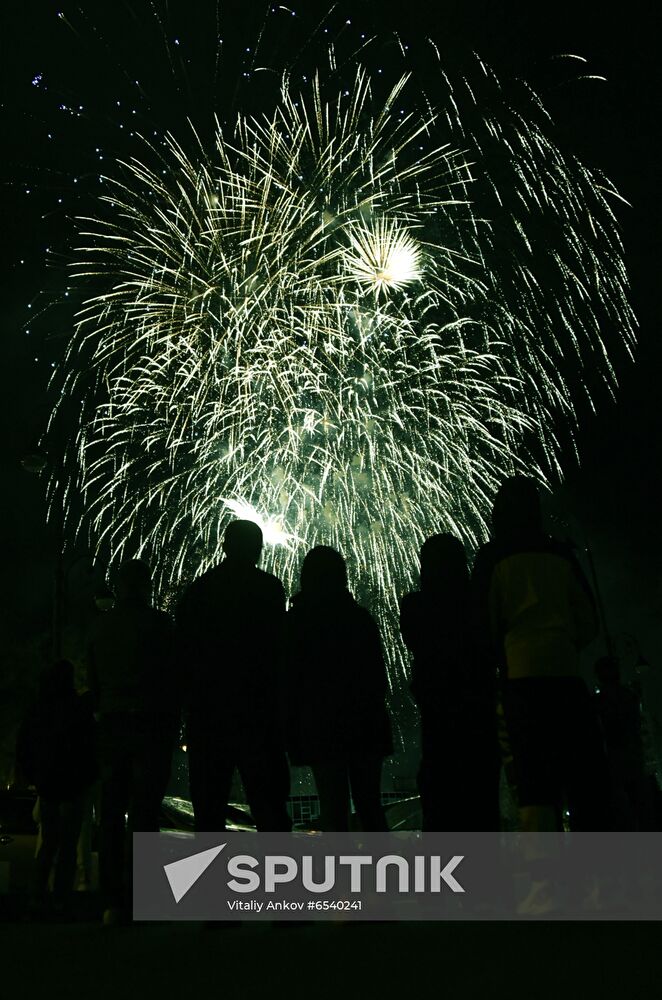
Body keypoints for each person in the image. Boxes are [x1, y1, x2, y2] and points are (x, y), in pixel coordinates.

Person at [473, 475, 607, 832]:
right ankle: (601, 879)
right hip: (568, 680)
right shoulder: (561, 555)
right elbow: (588, 621)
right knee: (584, 783)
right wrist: (563, 645)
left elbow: (483, 626)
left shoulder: (493, 558)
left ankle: (546, 881)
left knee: (533, 787)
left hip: (521, 684)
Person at [177, 520, 291, 832]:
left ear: (225, 546)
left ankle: (211, 879)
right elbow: (280, 652)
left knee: (209, 809)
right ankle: (280, 878)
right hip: (260, 714)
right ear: (258, 548)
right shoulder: (269, 589)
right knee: (270, 807)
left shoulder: (201, 591)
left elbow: (184, 654)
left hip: (209, 714)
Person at [86, 559, 181, 922]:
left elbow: (93, 683)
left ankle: (113, 899)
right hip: (150, 725)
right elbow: (173, 677)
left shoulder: (100, 627)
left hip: (112, 725)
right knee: (144, 813)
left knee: (111, 810)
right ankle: (142, 894)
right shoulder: (159, 624)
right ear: (145, 585)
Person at [282, 545, 392, 831]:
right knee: (370, 805)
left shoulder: (297, 622)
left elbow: (290, 679)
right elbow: (378, 678)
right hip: (365, 723)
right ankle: (382, 872)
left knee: (333, 807)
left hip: (321, 726)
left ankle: (339, 873)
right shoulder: (359, 619)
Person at [400, 534, 500, 831]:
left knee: (440, 799)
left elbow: (414, 641)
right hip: (480, 714)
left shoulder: (415, 605)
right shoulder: (479, 602)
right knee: (482, 800)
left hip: (437, 717)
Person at [16, 659, 97, 913]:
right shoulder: (78, 708)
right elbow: (91, 747)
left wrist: (35, 777)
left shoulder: (39, 710)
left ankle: (37, 896)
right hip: (72, 786)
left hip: (49, 784)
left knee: (49, 844)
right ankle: (61, 898)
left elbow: (24, 747)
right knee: (68, 846)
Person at [594, 656, 655, 830]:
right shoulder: (628, 697)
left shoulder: (601, 702)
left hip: (616, 760)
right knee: (640, 808)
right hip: (630, 757)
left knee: (626, 810)